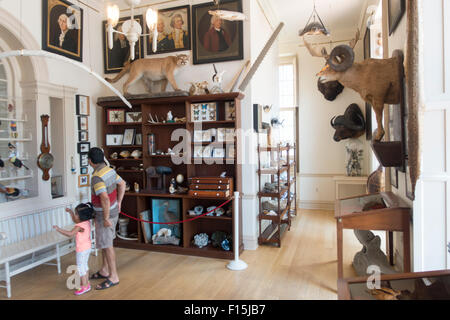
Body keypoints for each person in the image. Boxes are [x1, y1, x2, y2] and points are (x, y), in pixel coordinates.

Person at [87, 147, 126, 290]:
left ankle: (113, 276)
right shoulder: (109, 170)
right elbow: (122, 184)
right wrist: (120, 202)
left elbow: (103, 198)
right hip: (113, 211)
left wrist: (106, 217)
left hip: (105, 215)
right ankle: (104, 270)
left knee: (108, 245)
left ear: (90, 161)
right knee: (104, 242)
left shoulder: (97, 177)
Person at [53, 203, 95, 296]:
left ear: (81, 216)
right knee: (84, 266)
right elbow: (75, 220)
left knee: (80, 268)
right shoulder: (86, 222)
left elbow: (70, 234)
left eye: (76, 214)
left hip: (81, 249)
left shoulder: (79, 226)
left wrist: (58, 229)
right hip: (87, 247)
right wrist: (71, 212)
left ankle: (84, 286)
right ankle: (86, 284)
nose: (74, 216)